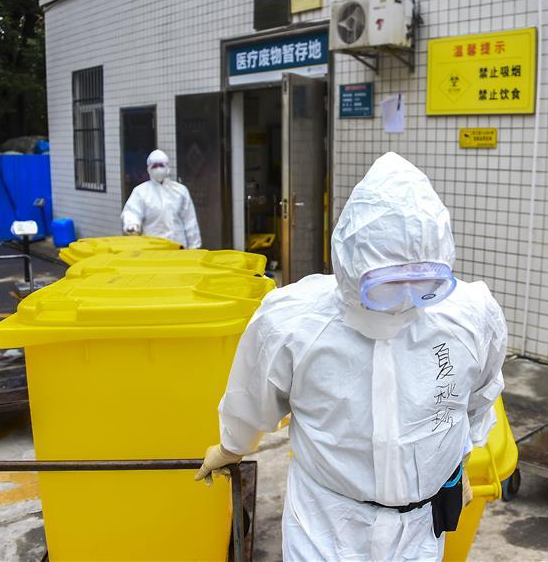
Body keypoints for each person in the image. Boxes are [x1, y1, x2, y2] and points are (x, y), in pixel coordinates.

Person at [195, 152, 507, 561]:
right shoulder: (296, 322)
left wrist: (461, 459)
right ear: (352, 268)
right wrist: (232, 445)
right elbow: (253, 396)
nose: (406, 302)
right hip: (326, 524)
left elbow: (477, 398)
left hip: (420, 530)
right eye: (388, 286)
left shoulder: (468, 316)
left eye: (425, 284)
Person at [120, 149, 201, 248]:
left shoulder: (180, 191)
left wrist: (194, 245)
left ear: (167, 167)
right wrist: (132, 224)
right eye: (154, 166)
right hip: (153, 249)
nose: (158, 169)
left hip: (178, 247)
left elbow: (190, 221)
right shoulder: (141, 192)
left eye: (161, 165)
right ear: (149, 169)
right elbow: (132, 211)